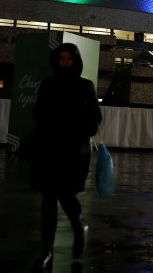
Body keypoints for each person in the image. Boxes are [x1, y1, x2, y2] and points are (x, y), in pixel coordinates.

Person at [30, 43, 103, 270]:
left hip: (73, 152)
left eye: (68, 58)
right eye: (61, 58)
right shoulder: (48, 84)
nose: (64, 62)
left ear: (75, 60)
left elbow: (95, 118)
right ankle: (47, 251)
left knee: (64, 193)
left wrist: (79, 130)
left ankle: (78, 225)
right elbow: (37, 112)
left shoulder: (85, 86)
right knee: (49, 199)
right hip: (49, 149)